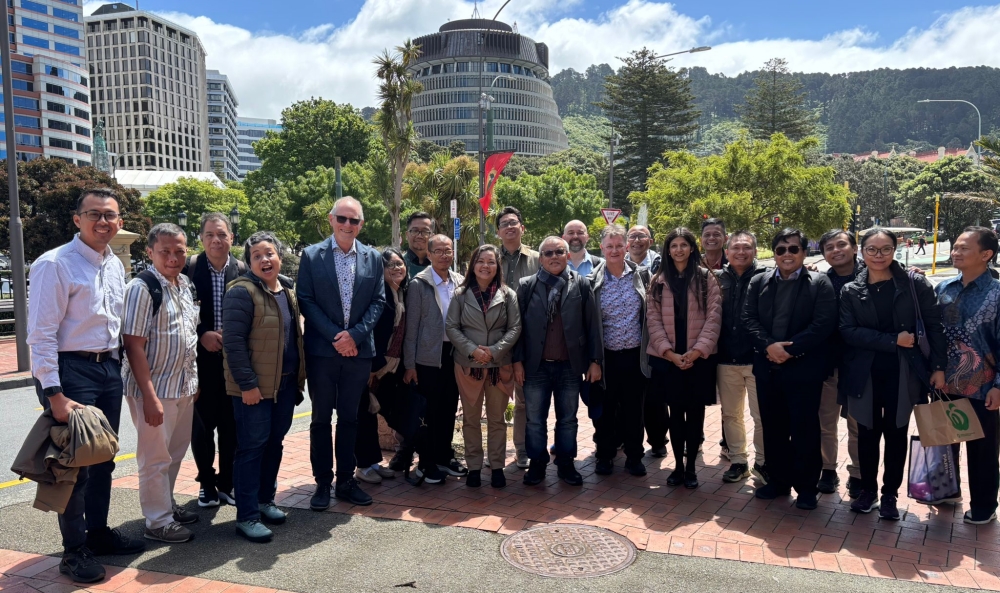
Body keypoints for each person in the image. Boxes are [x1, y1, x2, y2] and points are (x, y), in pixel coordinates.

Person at [27, 188, 144, 583]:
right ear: (77, 219)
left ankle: (98, 533)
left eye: (110, 215)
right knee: (73, 465)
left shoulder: (114, 265)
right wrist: (54, 394)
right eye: (93, 214)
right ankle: (74, 551)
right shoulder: (55, 264)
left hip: (108, 367)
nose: (102, 221)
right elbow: (40, 335)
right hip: (70, 370)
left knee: (102, 458)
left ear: (120, 223)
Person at [839, 229, 946, 520]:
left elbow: (934, 326)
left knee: (897, 433)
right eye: (872, 250)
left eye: (885, 249)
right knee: (867, 434)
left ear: (895, 250)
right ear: (861, 252)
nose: (878, 255)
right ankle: (868, 492)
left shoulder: (914, 284)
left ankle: (889, 496)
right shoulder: (851, 290)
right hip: (865, 372)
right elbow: (848, 332)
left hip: (904, 371)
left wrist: (938, 367)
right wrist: (891, 340)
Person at [298, 197, 386, 509]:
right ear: (331, 219)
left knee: (350, 418)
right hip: (323, 351)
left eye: (354, 220)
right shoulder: (311, 256)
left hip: (358, 352)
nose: (347, 225)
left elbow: (378, 301)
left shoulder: (373, 258)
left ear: (361, 225)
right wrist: (336, 336)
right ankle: (323, 482)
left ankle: (346, 480)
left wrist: (355, 335)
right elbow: (305, 300)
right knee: (322, 418)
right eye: (342, 219)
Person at [744, 228, 837, 510]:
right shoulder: (759, 281)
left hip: (803, 369)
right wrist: (769, 347)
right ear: (774, 253)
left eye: (793, 249)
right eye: (781, 249)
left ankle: (807, 487)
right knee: (773, 428)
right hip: (767, 368)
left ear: (804, 252)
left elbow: (822, 326)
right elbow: (748, 319)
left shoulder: (819, 283)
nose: (787, 255)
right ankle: (778, 481)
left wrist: (788, 350)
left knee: (805, 429)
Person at [222, 232, 307, 542]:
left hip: (283, 387)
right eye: (256, 255)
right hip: (254, 390)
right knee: (250, 449)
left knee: (274, 445)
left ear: (279, 257)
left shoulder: (287, 292)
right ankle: (246, 516)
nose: (264, 260)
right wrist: (247, 384)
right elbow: (232, 343)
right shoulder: (241, 292)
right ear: (249, 263)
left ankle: (264, 501)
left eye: (269, 253)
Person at [121, 223, 200, 544]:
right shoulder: (142, 288)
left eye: (179, 251)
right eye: (165, 251)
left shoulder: (185, 284)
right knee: (154, 459)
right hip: (154, 390)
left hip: (184, 385)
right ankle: (157, 522)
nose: (173, 257)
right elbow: (133, 344)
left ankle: (165, 507)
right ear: (150, 252)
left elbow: (189, 336)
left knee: (176, 453)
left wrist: (195, 381)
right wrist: (149, 397)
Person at [514, 236, 603, 486]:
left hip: (569, 366)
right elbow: (517, 328)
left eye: (559, 252)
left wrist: (595, 360)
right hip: (536, 366)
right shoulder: (527, 285)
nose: (554, 257)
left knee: (568, 419)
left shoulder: (582, 285)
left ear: (567, 255)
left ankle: (566, 463)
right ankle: (537, 464)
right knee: (534, 419)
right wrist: (517, 362)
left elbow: (592, 325)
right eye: (549, 253)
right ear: (540, 258)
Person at [647, 228, 722, 489]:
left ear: (692, 248)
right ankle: (677, 466)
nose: (679, 249)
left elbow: (714, 319)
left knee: (696, 416)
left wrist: (697, 351)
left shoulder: (705, 279)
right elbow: (653, 322)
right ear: (668, 250)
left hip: (698, 360)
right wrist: (669, 353)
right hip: (670, 361)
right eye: (674, 245)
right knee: (675, 414)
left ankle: (691, 468)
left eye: (684, 245)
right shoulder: (658, 281)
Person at [935, 227, 1000, 525]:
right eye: (955, 247)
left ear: (986, 254)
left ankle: (984, 505)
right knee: (946, 440)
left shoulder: (996, 294)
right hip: (945, 381)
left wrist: (998, 386)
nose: (955, 252)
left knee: (983, 449)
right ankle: (948, 491)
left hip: (983, 385)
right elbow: (934, 335)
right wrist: (935, 369)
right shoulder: (945, 288)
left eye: (964, 248)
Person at [446, 245, 522, 488]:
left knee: (497, 420)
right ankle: (474, 467)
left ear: (497, 266)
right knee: (470, 419)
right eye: (481, 261)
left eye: (491, 261)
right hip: (469, 365)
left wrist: (494, 351)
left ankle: (497, 466)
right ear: (473, 264)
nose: (485, 266)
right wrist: (473, 350)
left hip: (499, 366)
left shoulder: (508, 294)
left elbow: (515, 328)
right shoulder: (460, 294)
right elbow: (452, 327)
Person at [184, 213, 243, 509]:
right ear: (202, 239)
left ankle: (226, 483)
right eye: (209, 235)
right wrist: (201, 333)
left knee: (231, 427)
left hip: (235, 363)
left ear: (231, 237)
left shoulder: (244, 270)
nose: (216, 240)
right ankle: (206, 484)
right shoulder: (189, 269)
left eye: (221, 234)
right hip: (200, 362)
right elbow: (177, 314)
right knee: (202, 427)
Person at [403, 235, 466, 483]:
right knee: (428, 412)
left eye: (447, 250)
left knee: (449, 409)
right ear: (428, 255)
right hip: (427, 358)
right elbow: (411, 328)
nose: (443, 255)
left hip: (454, 355)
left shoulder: (460, 282)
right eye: (438, 251)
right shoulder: (420, 284)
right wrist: (410, 365)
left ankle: (443, 456)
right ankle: (426, 463)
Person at [590, 225, 651, 477]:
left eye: (618, 245)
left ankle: (634, 457)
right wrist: (593, 360)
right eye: (609, 246)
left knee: (634, 410)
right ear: (602, 248)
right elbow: (589, 325)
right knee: (605, 409)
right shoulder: (592, 281)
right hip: (606, 357)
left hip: (636, 356)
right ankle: (605, 456)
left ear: (626, 247)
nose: (614, 250)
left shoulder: (643, 276)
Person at [353, 248, 412, 485]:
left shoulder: (400, 293)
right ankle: (362, 466)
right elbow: (371, 333)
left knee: (377, 412)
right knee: (363, 414)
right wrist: (370, 368)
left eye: (400, 264)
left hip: (390, 367)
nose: (397, 268)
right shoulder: (379, 296)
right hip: (371, 365)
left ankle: (374, 462)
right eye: (390, 265)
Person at [715, 230, 769, 484]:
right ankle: (738, 461)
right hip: (726, 358)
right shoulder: (716, 279)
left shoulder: (768, 277)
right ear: (727, 252)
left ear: (755, 251)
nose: (740, 252)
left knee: (762, 415)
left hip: (758, 358)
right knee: (731, 414)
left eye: (746, 247)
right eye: (735, 248)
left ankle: (763, 462)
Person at [817, 229, 863, 497]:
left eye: (841, 244)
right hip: (828, 364)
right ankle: (828, 470)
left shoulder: (872, 276)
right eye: (829, 247)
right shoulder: (820, 281)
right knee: (825, 422)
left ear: (855, 248)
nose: (836, 250)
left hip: (859, 365)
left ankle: (857, 473)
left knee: (858, 423)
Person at [496, 206, 539, 469]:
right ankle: (496, 451)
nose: (510, 227)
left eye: (514, 222)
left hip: (529, 340)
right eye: (504, 224)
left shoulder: (537, 258)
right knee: (496, 398)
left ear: (522, 228)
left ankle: (522, 449)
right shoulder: (488, 257)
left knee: (524, 400)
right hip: (496, 338)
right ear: (498, 231)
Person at [403, 211, 434, 279]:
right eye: (415, 231)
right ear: (407, 235)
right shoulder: (398, 266)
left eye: (425, 231)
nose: (419, 236)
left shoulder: (440, 264)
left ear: (432, 236)